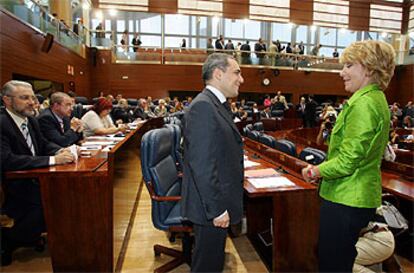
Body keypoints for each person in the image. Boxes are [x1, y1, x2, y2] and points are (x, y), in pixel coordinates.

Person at [301, 40, 396, 272]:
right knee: (339, 260)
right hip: (353, 194)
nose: (341, 72)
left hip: (347, 196)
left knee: (333, 264)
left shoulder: (363, 104)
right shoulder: (374, 99)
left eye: (349, 65)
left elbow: (348, 161)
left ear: (369, 68)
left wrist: (315, 170)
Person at [181, 53, 244, 272]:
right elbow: (202, 165)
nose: (241, 79)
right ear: (218, 74)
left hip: (214, 201)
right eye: (236, 72)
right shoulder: (204, 107)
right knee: (207, 266)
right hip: (210, 206)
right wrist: (217, 210)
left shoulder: (216, 104)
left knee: (212, 262)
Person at [0, 81, 75, 265]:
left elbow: (42, 144)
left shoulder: (31, 119)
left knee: (70, 193)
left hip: (35, 176)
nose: (32, 102)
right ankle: (9, 238)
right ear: (7, 101)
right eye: (24, 98)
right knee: (51, 203)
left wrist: (58, 151)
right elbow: (6, 160)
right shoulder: (2, 123)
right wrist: (52, 160)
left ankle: (31, 233)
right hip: (12, 183)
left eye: (32, 97)